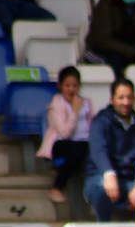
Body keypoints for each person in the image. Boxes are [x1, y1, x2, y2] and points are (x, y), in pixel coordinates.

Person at [84, 77, 135, 227]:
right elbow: (98, 150)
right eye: (121, 97)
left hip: (132, 180)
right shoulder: (101, 122)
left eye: (129, 97)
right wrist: (109, 173)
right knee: (101, 189)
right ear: (112, 99)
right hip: (101, 176)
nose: (125, 102)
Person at [37, 66, 95, 204]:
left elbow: (92, 125)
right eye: (67, 85)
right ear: (60, 86)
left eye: (74, 86)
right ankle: (57, 187)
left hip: (83, 143)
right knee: (77, 151)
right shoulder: (56, 104)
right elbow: (64, 132)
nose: (71, 89)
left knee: (84, 150)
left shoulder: (86, 103)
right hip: (61, 144)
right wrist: (74, 112)